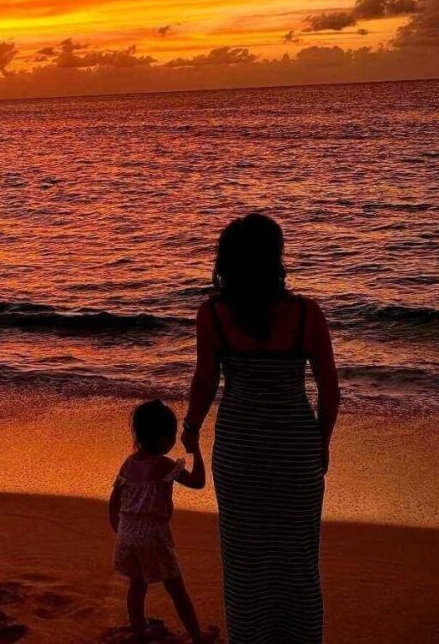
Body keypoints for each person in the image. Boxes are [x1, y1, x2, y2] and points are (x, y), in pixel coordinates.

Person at [180, 213, 339, 644]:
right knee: (298, 560)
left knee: (244, 560)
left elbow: (206, 381)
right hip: (295, 451)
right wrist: (319, 443)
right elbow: (330, 390)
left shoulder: (212, 314)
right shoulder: (305, 314)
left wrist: (191, 426)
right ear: (276, 258)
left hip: (239, 452)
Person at [109, 399, 211, 643]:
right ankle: (197, 637)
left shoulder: (129, 463)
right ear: (163, 438)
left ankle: (138, 630)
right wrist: (195, 449)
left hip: (128, 533)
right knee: (177, 590)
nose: (174, 440)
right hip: (154, 536)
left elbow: (115, 500)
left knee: (137, 585)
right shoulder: (164, 465)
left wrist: (119, 529)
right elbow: (198, 482)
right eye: (173, 435)